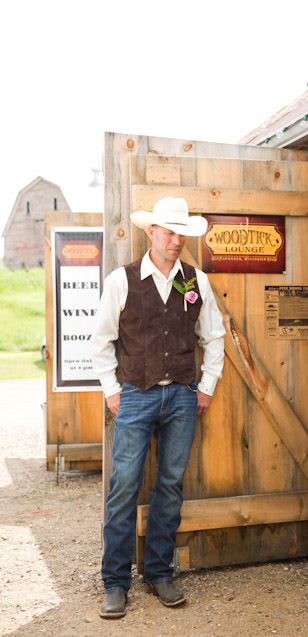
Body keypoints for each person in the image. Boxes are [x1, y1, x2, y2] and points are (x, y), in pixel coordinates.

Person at [91, 196, 225, 618]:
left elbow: (214, 337)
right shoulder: (122, 280)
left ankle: (158, 573)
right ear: (151, 232)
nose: (176, 241)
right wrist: (113, 391)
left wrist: (205, 387)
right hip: (135, 395)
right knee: (124, 488)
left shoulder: (195, 280)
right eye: (169, 232)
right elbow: (100, 340)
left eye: (181, 234)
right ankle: (115, 582)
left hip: (183, 397)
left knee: (169, 486)